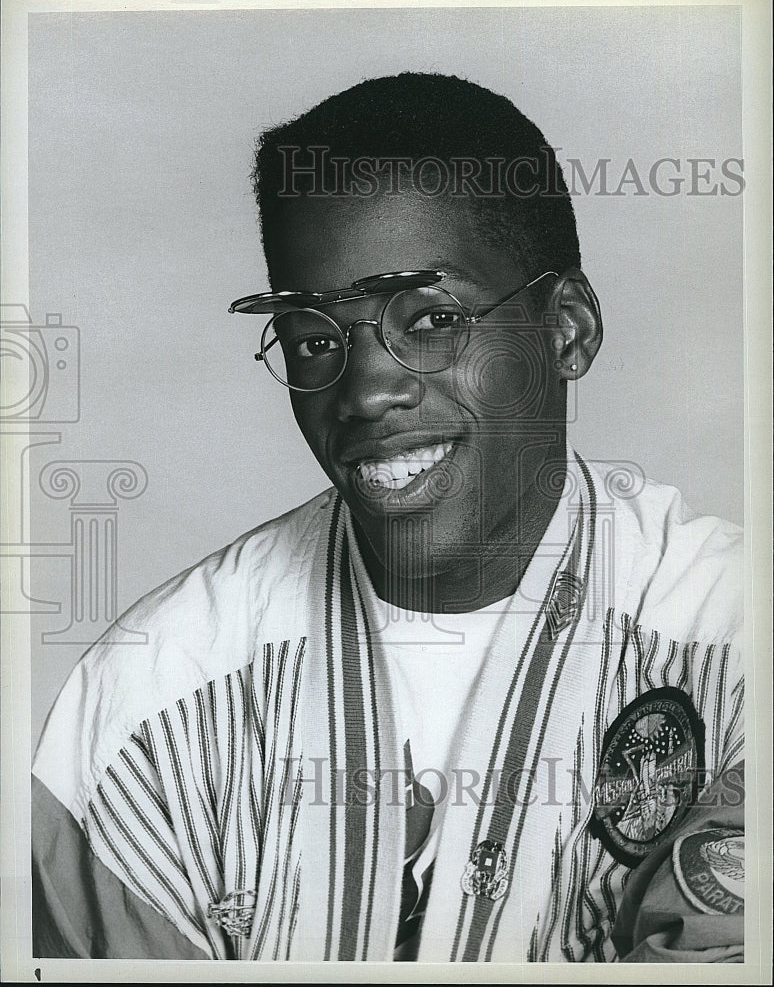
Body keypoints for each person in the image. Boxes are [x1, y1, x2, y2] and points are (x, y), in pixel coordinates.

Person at [31, 73, 744, 963]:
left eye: (433, 319)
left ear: (566, 329)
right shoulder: (149, 711)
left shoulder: (734, 644)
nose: (365, 390)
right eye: (314, 340)